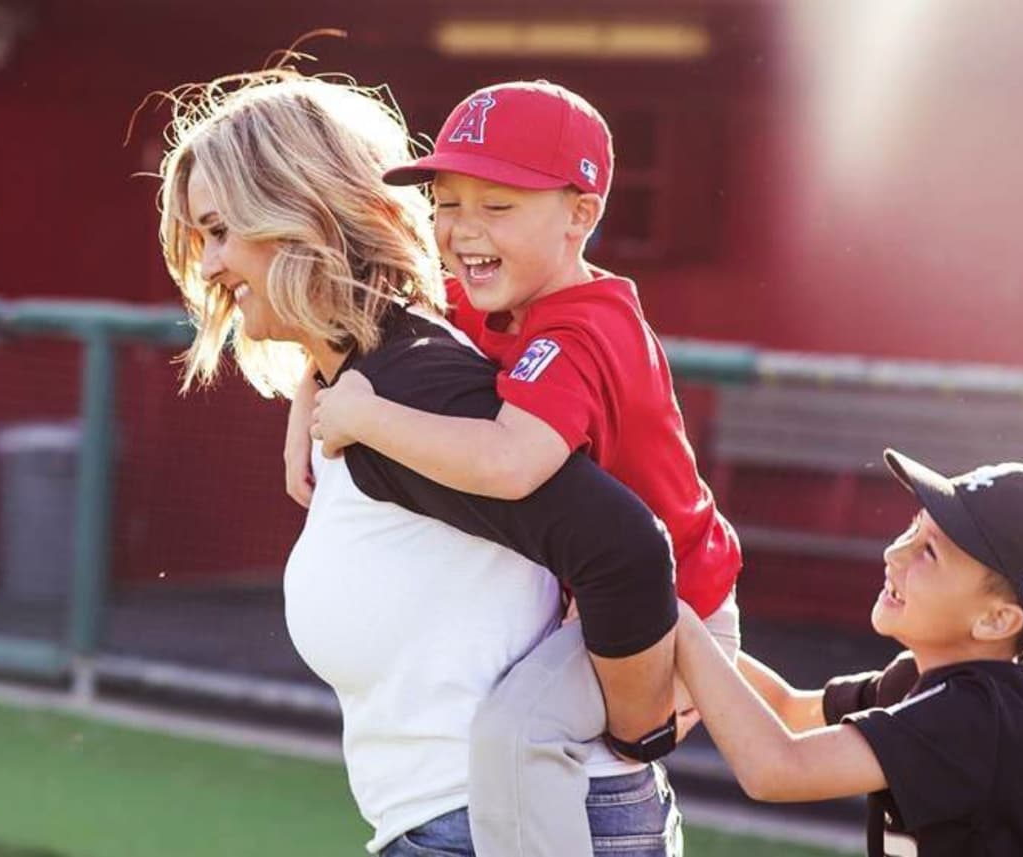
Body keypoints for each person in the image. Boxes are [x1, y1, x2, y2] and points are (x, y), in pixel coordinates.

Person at [156, 69, 682, 855]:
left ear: (300, 216)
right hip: (466, 821)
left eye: (221, 231)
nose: (210, 266)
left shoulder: (408, 383)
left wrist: (643, 728)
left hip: (511, 823)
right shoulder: (377, 371)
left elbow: (624, 547)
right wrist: (314, 384)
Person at [292, 80, 741, 855]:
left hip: (677, 611)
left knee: (513, 730)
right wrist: (311, 389)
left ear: (581, 213)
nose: (463, 230)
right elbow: (375, 318)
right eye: (446, 203)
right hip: (616, 603)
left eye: (497, 206)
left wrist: (364, 417)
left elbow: (510, 464)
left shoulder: (581, 329)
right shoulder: (495, 291)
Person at [675, 448, 1023, 856]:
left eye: (929, 551)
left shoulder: (979, 717)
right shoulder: (928, 683)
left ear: (996, 621)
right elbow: (789, 711)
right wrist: (702, 631)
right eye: (913, 528)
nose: (895, 552)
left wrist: (677, 624)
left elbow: (776, 768)